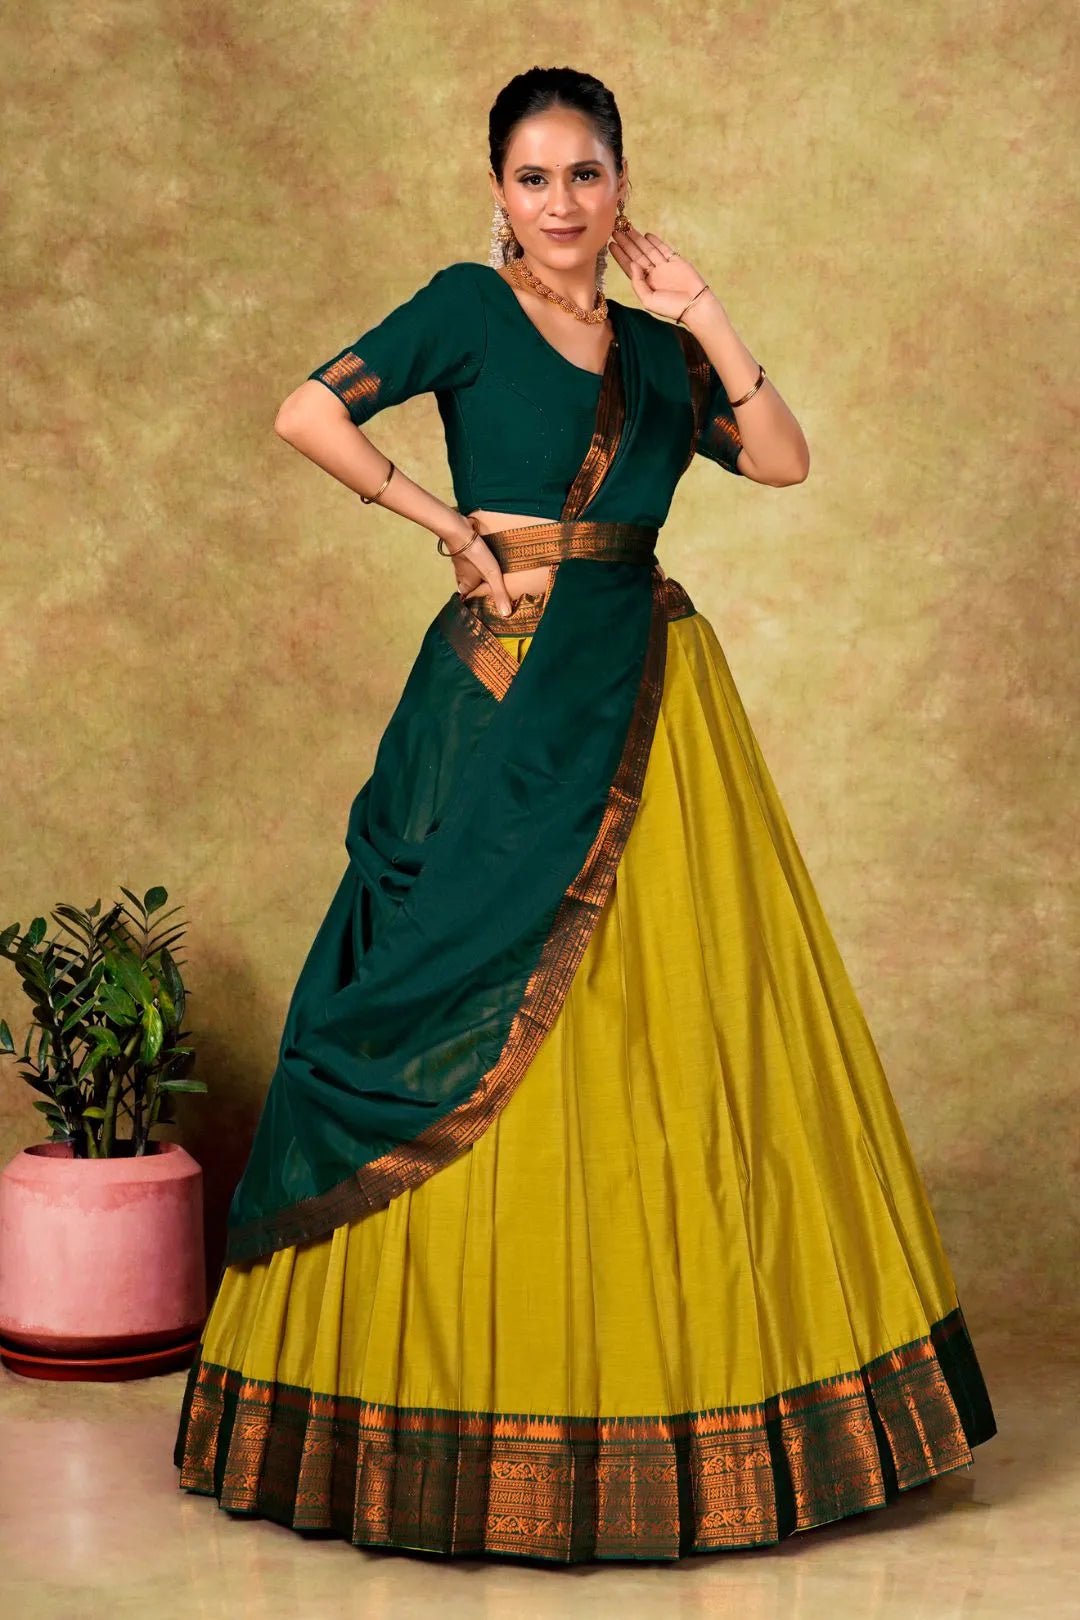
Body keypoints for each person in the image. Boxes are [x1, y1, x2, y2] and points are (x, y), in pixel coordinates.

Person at [173, 65, 996, 1564]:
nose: (562, 203)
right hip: (504, 692)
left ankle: (669, 1386)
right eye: (535, 177)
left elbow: (785, 458)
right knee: (447, 993)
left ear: (623, 184)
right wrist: (445, 527)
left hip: (648, 696)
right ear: (498, 191)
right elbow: (307, 411)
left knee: (664, 1025)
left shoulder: (660, 351)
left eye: (588, 174)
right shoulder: (464, 310)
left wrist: (706, 313)